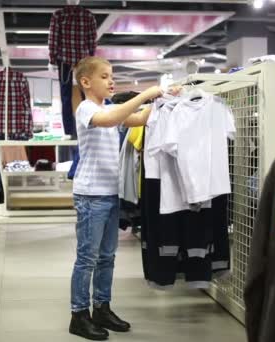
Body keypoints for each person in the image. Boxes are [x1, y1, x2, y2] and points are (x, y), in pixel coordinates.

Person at [69, 55, 179, 341]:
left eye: (111, 75)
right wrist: (146, 93)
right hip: (90, 195)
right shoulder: (86, 110)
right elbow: (110, 120)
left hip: (109, 194)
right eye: (104, 76)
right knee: (87, 258)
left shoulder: (109, 107)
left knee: (107, 257)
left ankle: (102, 308)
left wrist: (164, 98)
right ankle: (79, 315)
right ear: (85, 82)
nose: (111, 80)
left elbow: (140, 117)